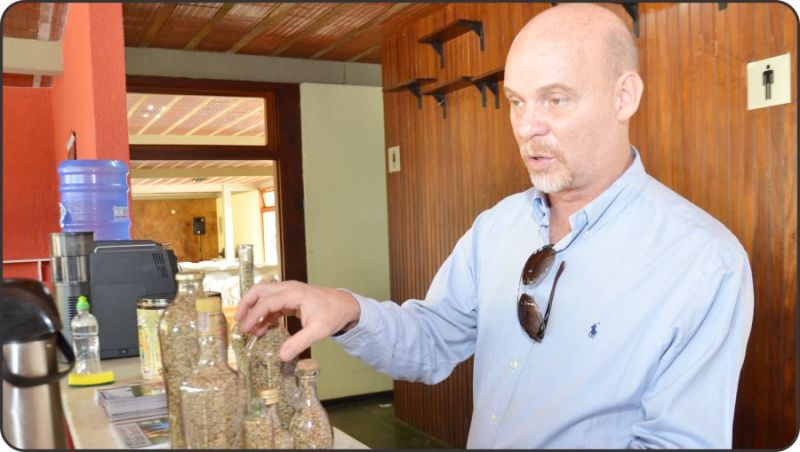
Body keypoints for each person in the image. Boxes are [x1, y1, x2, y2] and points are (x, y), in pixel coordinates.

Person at [236, 3, 753, 448]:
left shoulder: (704, 262)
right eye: (516, 101)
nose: (527, 126)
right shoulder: (497, 226)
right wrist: (347, 311)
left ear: (624, 97)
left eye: (556, 98)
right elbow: (433, 339)